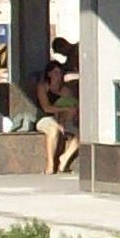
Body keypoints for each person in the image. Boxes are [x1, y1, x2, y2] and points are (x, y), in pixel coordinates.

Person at [35, 41, 81, 174]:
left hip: (64, 120)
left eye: (60, 73)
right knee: (53, 130)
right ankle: (50, 164)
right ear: (49, 74)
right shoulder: (43, 87)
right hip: (45, 119)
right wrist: (65, 110)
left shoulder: (65, 90)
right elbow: (47, 108)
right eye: (55, 73)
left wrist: (69, 115)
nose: (58, 76)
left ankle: (64, 159)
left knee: (81, 134)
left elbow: (74, 104)